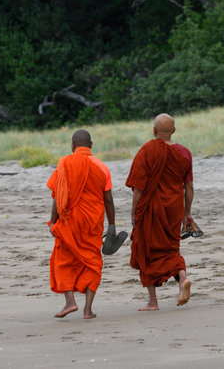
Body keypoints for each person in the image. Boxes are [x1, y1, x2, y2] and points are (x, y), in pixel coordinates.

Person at [126, 113, 194, 310]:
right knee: (171, 248)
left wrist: (134, 212)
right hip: (174, 207)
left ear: (155, 131)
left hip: (151, 208)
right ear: (173, 131)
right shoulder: (184, 153)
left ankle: (153, 301)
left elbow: (139, 187)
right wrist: (187, 213)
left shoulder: (148, 150)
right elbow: (188, 187)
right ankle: (182, 278)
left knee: (145, 249)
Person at [47, 129, 116, 319]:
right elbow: (108, 200)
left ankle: (70, 302)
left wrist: (53, 222)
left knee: (63, 259)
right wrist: (112, 225)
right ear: (91, 145)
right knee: (93, 261)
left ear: (72, 145)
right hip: (92, 222)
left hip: (68, 221)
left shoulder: (64, 164)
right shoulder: (102, 167)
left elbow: (57, 196)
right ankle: (87, 309)